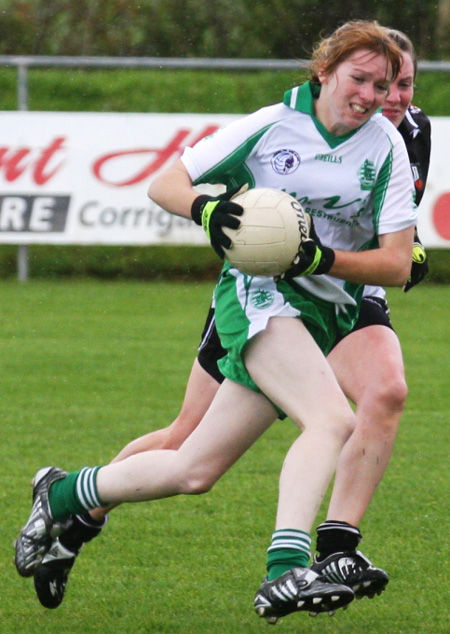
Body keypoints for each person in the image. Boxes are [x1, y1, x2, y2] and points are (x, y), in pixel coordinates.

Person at [15, 21, 416, 623]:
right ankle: (285, 573)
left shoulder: (385, 143)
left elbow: (395, 262)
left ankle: (67, 492)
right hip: (258, 297)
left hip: (325, 311)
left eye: (382, 85)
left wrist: (321, 257)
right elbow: (165, 183)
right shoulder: (272, 125)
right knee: (331, 419)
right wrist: (208, 208)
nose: (369, 94)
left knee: (193, 468)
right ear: (324, 70)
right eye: (358, 78)